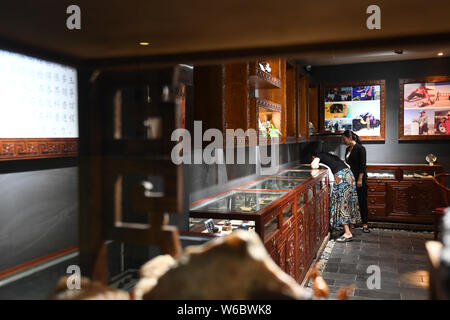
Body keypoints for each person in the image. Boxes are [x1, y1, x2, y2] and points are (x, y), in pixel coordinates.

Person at [309, 149, 361, 242]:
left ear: (313, 156)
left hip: (341, 177)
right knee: (350, 201)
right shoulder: (331, 156)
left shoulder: (319, 155)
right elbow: (348, 165)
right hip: (349, 175)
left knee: (342, 203)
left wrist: (314, 163)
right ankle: (350, 230)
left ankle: (347, 233)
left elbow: (314, 165)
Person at [342, 130, 370, 233]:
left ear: (349, 138)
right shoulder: (347, 149)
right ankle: (352, 224)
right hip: (350, 179)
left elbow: (363, 166)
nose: (343, 141)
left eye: (344, 139)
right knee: (352, 202)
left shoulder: (360, 148)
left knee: (362, 201)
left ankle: (365, 224)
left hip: (360, 179)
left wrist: (360, 179)